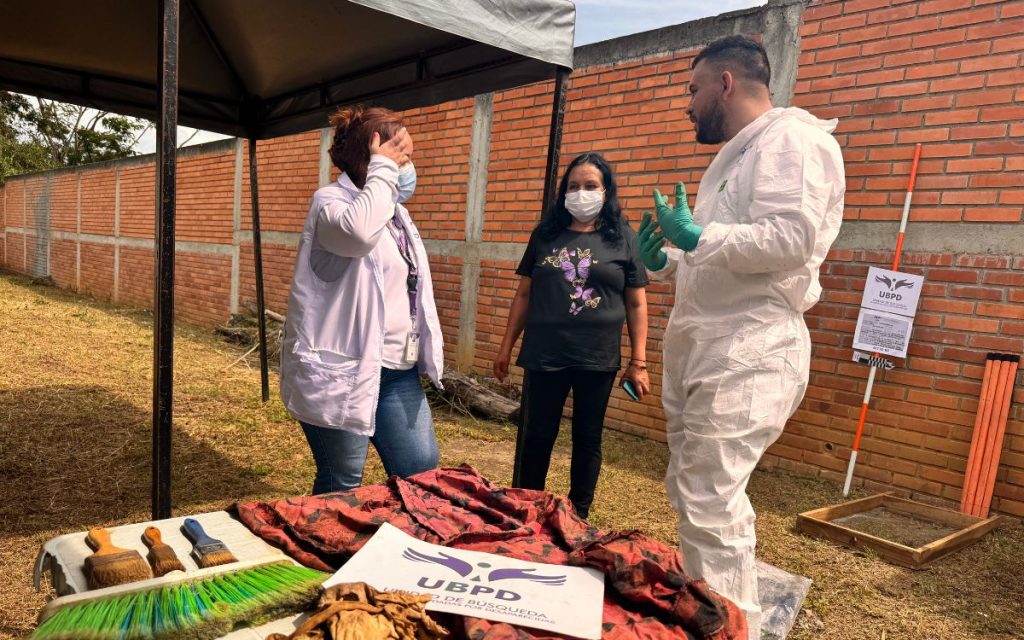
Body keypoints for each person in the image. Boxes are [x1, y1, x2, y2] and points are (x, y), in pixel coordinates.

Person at [637, 36, 845, 638]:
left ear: (726, 82)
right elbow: (728, 252)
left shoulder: (794, 140)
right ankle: (713, 612)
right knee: (694, 491)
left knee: (709, 498)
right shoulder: (738, 155)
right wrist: (670, 258)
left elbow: (789, 241)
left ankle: (728, 629)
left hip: (750, 349)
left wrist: (699, 239)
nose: (688, 104)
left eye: (693, 89)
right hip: (711, 345)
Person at [279, 106, 444, 495]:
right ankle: (325, 551)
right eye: (403, 156)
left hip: (397, 370)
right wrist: (383, 167)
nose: (408, 166)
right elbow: (356, 235)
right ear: (374, 155)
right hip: (344, 369)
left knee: (419, 470)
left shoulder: (395, 214)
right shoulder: (330, 203)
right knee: (342, 480)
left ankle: (399, 549)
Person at [494, 152, 650, 520]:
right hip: (544, 354)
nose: (581, 192)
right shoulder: (546, 235)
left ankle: (578, 513)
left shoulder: (623, 239)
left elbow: (637, 304)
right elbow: (524, 295)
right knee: (536, 435)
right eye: (573, 186)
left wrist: (638, 362)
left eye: (590, 186)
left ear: (606, 191)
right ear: (563, 191)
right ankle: (525, 508)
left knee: (587, 437)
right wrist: (505, 346)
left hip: (597, 357)